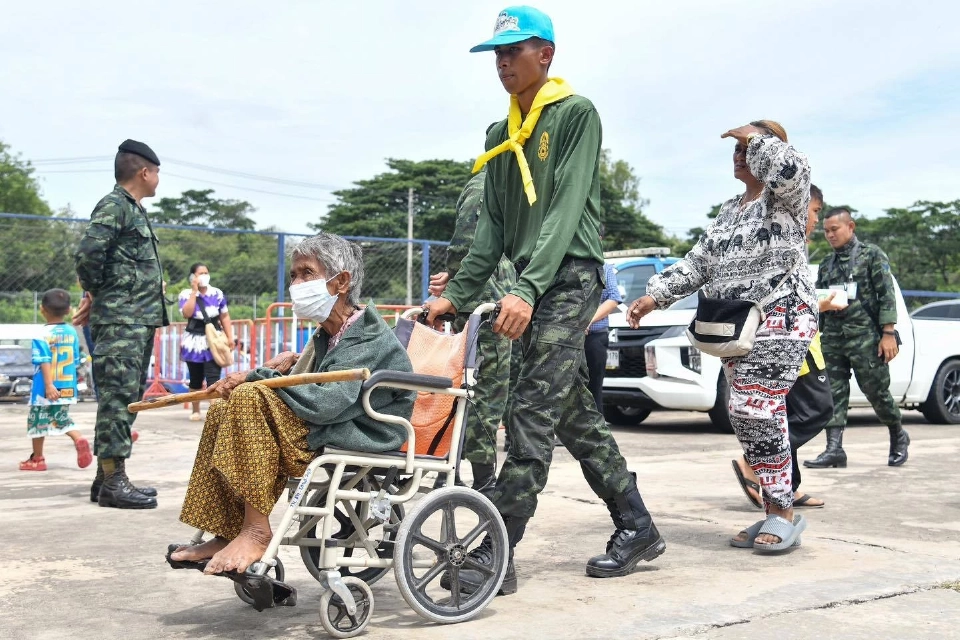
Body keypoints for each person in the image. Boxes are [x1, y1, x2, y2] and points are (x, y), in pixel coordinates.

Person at [425, 6, 665, 593]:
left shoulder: (576, 114)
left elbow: (562, 209)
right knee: (573, 414)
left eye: (515, 50)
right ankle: (637, 524)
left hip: (570, 277)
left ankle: (495, 554)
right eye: (498, 54)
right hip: (528, 283)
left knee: (528, 414)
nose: (504, 62)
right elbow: (493, 233)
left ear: (546, 55)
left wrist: (527, 288)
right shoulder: (498, 134)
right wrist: (453, 297)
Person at [167, 233, 415, 575]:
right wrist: (286, 363)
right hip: (327, 425)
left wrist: (257, 376)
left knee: (250, 397)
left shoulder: (368, 334)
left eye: (306, 273)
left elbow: (327, 402)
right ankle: (226, 532)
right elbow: (316, 381)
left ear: (341, 281)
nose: (296, 284)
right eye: (294, 276)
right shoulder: (328, 335)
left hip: (359, 431)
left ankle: (256, 530)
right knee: (225, 408)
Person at [629, 120, 815, 552]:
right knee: (744, 413)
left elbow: (791, 168)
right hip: (738, 326)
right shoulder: (730, 211)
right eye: (735, 150)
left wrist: (756, 138)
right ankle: (774, 507)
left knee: (757, 406)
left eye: (746, 150)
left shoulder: (786, 198)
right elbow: (698, 263)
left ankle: (783, 511)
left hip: (783, 315)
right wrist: (653, 297)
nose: (738, 155)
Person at [732, 184, 840, 510]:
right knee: (818, 410)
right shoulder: (787, 243)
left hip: (783, 340)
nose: (817, 221)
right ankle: (754, 459)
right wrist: (821, 306)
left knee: (787, 414)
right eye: (817, 211)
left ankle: (785, 489)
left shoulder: (771, 236)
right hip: (794, 343)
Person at [75, 139, 168, 509]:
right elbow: (88, 255)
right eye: (157, 172)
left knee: (125, 399)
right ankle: (114, 481)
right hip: (121, 320)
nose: (159, 178)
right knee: (116, 400)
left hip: (135, 320)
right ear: (144, 172)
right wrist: (96, 293)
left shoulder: (133, 209)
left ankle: (105, 478)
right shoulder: (115, 205)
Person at [428, 166, 517, 491]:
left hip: (499, 302)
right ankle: (483, 481)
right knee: (484, 393)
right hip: (488, 309)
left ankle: (447, 469)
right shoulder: (487, 185)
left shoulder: (508, 188)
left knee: (480, 391)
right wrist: (457, 292)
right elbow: (465, 244)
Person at [804, 207, 909, 468]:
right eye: (826, 231)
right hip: (835, 338)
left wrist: (888, 333)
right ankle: (834, 449)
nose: (829, 235)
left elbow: (886, 294)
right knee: (833, 393)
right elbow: (823, 300)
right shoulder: (828, 264)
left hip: (867, 338)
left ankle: (898, 434)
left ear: (851, 227)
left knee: (876, 392)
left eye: (834, 229)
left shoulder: (872, 255)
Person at [19, 289, 93, 472]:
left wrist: (49, 384)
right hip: (67, 386)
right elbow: (76, 359)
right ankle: (78, 439)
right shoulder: (71, 332)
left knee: (38, 419)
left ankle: (38, 458)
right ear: (69, 310)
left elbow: (43, 360)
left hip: (45, 387)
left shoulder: (41, 334)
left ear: (42, 309)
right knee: (59, 417)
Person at [179, 262, 235, 421]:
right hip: (194, 342)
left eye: (206, 272)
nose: (204, 276)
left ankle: (215, 412)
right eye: (200, 273)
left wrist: (230, 337)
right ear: (192, 276)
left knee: (214, 377)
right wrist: (194, 292)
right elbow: (187, 313)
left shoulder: (217, 293)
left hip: (214, 341)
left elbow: (224, 316)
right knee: (195, 378)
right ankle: (195, 410)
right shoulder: (185, 294)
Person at [585, 225, 622, 414]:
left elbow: (614, 298)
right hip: (570, 336)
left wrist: (587, 321)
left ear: (599, 239)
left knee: (594, 386)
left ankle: (596, 432)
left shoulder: (605, 268)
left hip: (595, 336)